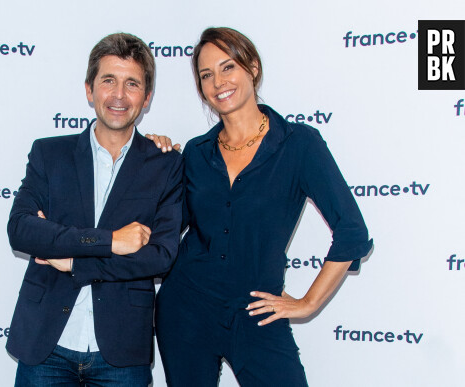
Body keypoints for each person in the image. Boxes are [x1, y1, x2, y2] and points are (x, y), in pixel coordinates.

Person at [152, 27, 373, 386]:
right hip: (186, 309)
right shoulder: (196, 152)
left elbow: (352, 232)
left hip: (258, 311)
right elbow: (165, 231)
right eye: (206, 75)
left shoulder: (298, 144)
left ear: (252, 67)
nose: (218, 81)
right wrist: (150, 159)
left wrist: (308, 303)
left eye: (228, 67)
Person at [6, 32, 183, 386]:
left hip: (122, 351)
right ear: (89, 90)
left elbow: (160, 256)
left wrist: (73, 260)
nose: (119, 95)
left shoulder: (165, 165)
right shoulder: (49, 154)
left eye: (132, 83)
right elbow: (22, 230)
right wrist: (109, 241)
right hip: (46, 345)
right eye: (108, 81)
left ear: (147, 98)